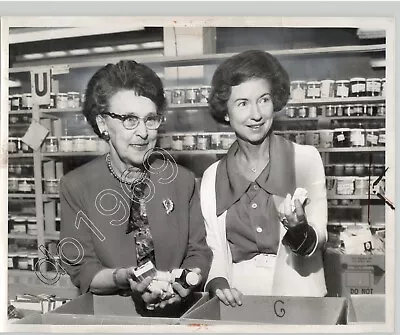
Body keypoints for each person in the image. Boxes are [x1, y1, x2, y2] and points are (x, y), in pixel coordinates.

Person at [59, 60, 212, 310]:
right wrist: (124, 277)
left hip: (178, 314)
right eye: (130, 119)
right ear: (102, 124)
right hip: (112, 319)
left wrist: (185, 282)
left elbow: (199, 252)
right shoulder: (76, 185)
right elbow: (83, 270)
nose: (143, 132)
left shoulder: (182, 181)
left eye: (150, 119)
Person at [200, 50, 327, 307]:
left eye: (264, 100)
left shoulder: (305, 159)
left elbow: (318, 240)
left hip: (299, 297)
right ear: (226, 112)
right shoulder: (212, 176)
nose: (256, 114)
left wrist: (299, 229)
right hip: (239, 302)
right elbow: (213, 248)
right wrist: (218, 284)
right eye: (242, 103)